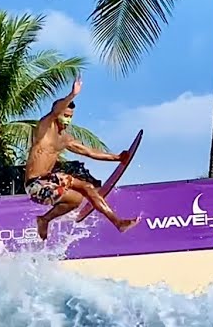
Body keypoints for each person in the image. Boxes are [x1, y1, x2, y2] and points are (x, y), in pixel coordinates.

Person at [24, 75, 141, 239]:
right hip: (36, 185)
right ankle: (118, 223)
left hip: (49, 185)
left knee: (77, 199)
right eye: (65, 115)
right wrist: (73, 94)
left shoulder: (65, 139)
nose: (67, 119)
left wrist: (116, 157)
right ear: (58, 114)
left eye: (70, 116)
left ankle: (44, 219)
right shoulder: (45, 127)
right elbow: (57, 109)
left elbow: (90, 152)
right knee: (79, 183)